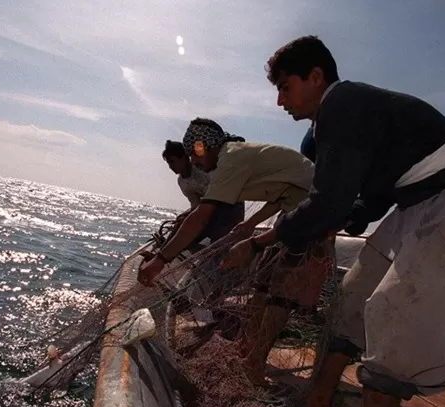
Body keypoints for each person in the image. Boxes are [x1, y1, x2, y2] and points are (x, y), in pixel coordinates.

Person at [222, 35, 445, 407]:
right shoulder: (355, 115)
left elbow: (327, 201)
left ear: (316, 77)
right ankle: (318, 402)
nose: (280, 101)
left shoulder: (341, 103)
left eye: (285, 87)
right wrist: (350, 215)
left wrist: (260, 243)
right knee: (352, 301)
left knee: (394, 324)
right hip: (414, 203)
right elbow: (374, 196)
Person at [138, 118, 332, 380]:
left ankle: (254, 364)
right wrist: (250, 224)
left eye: (195, 152)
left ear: (208, 145)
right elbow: (282, 195)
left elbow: (202, 215)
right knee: (263, 283)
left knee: (281, 292)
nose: (194, 162)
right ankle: (246, 348)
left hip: (317, 214)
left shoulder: (231, 158)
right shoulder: (230, 161)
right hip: (294, 210)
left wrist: (160, 260)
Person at [161, 139, 244, 250]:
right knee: (182, 229)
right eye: (168, 163)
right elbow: (196, 206)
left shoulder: (204, 170)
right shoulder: (182, 182)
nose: (170, 167)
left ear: (185, 157)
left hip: (231, 206)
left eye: (173, 161)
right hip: (210, 212)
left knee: (219, 243)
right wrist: (187, 216)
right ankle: (163, 250)